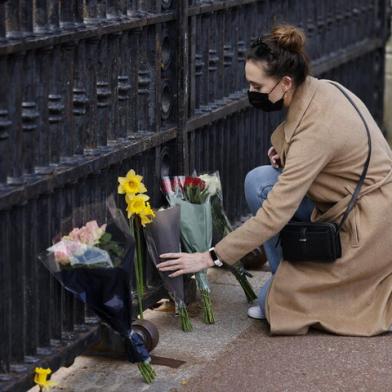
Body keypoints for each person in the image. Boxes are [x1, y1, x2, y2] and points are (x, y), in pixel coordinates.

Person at [158, 24, 392, 336]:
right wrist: (286, 156)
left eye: (257, 87)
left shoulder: (317, 130)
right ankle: (286, 276)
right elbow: (327, 158)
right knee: (260, 180)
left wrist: (210, 257)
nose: (252, 93)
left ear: (285, 82)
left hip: (370, 228)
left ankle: (290, 284)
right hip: (351, 203)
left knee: (275, 305)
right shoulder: (324, 88)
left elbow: (276, 212)